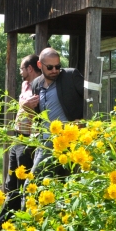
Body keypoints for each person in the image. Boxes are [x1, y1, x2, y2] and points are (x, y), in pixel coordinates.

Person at [0, 54, 40, 230]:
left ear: (30, 68)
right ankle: (3, 223)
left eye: (22, 68)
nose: (20, 71)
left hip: (29, 139)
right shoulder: (25, 85)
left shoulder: (40, 87)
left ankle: (20, 223)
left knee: (23, 183)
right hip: (17, 137)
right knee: (10, 182)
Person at [29, 47, 85, 177]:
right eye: (50, 67)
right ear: (39, 65)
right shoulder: (36, 84)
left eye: (57, 66)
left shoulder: (70, 76)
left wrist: (83, 120)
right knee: (37, 181)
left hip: (69, 141)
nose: (55, 70)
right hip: (46, 142)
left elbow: (92, 99)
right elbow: (38, 113)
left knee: (39, 181)